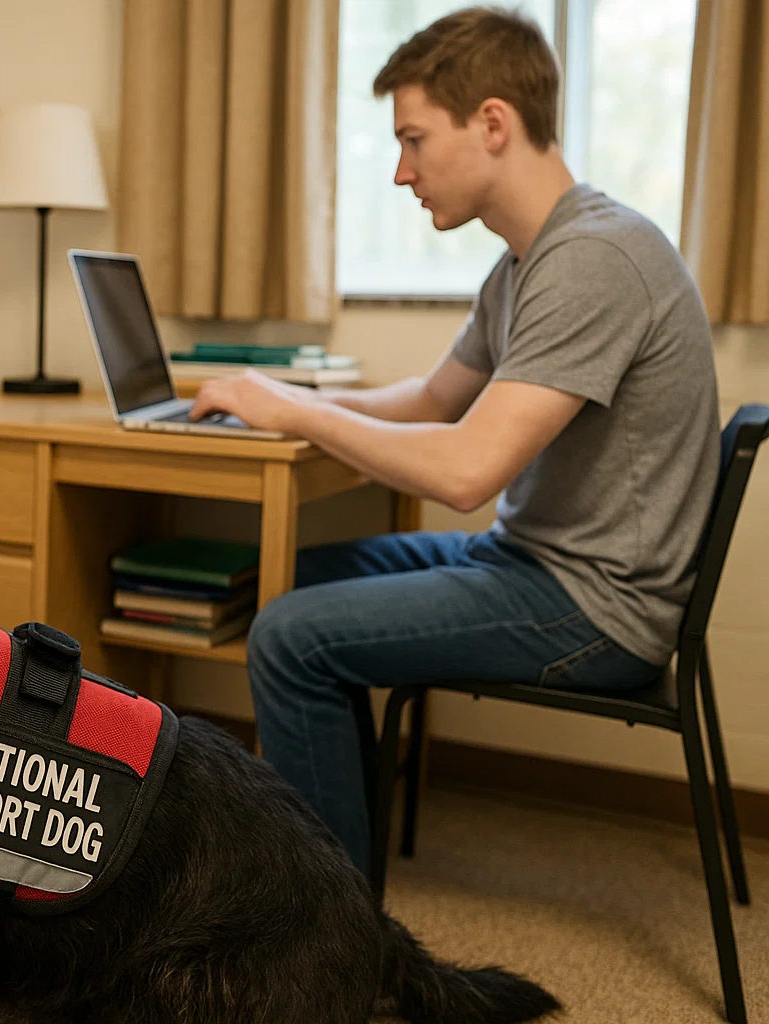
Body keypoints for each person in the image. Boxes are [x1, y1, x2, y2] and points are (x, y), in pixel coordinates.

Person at [189, 6, 720, 876]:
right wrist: (284, 395)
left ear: (494, 124)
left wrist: (301, 416)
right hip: (532, 560)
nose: (401, 172)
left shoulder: (595, 259)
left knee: (291, 634)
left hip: (597, 605)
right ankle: (336, 859)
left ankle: (328, 926)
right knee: (282, 588)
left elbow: (467, 471)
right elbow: (434, 400)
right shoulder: (525, 262)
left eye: (413, 141)